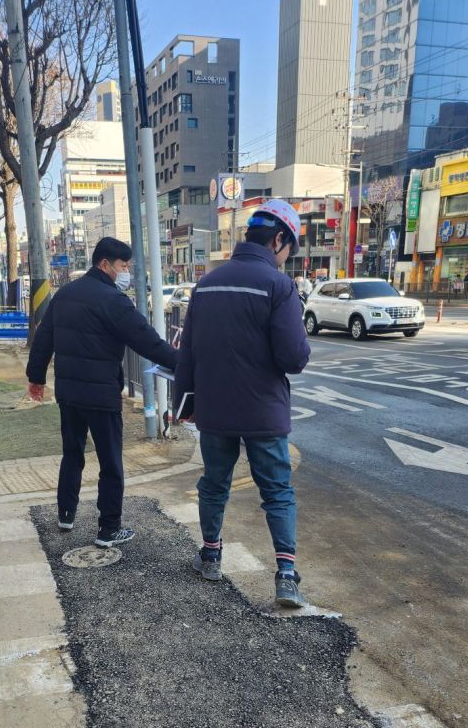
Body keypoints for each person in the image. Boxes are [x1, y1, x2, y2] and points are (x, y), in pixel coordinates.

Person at [173, 199, 312, 608]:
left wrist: (186, 405)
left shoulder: (207, 284)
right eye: (291, 248)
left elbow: (189, 353)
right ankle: (286, 575)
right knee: (277, 492)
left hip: (214, 410)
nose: (289, 257)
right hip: (263, 413)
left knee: (214, 484)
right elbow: (294, 358)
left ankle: (211, 556)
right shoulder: (279, 285)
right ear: (280, 239)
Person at [26, 237, 178, 548]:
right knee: (110, 462)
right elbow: (146, 341)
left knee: (73, 453)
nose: (126, 272)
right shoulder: (114, 300)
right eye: (124, 266)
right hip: (101, 397)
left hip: (68, 394)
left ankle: (66, 514)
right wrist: (185, 364)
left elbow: (44, 338)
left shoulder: (64, 295)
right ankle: (109, 529)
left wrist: (36, 378)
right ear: (105, 264)